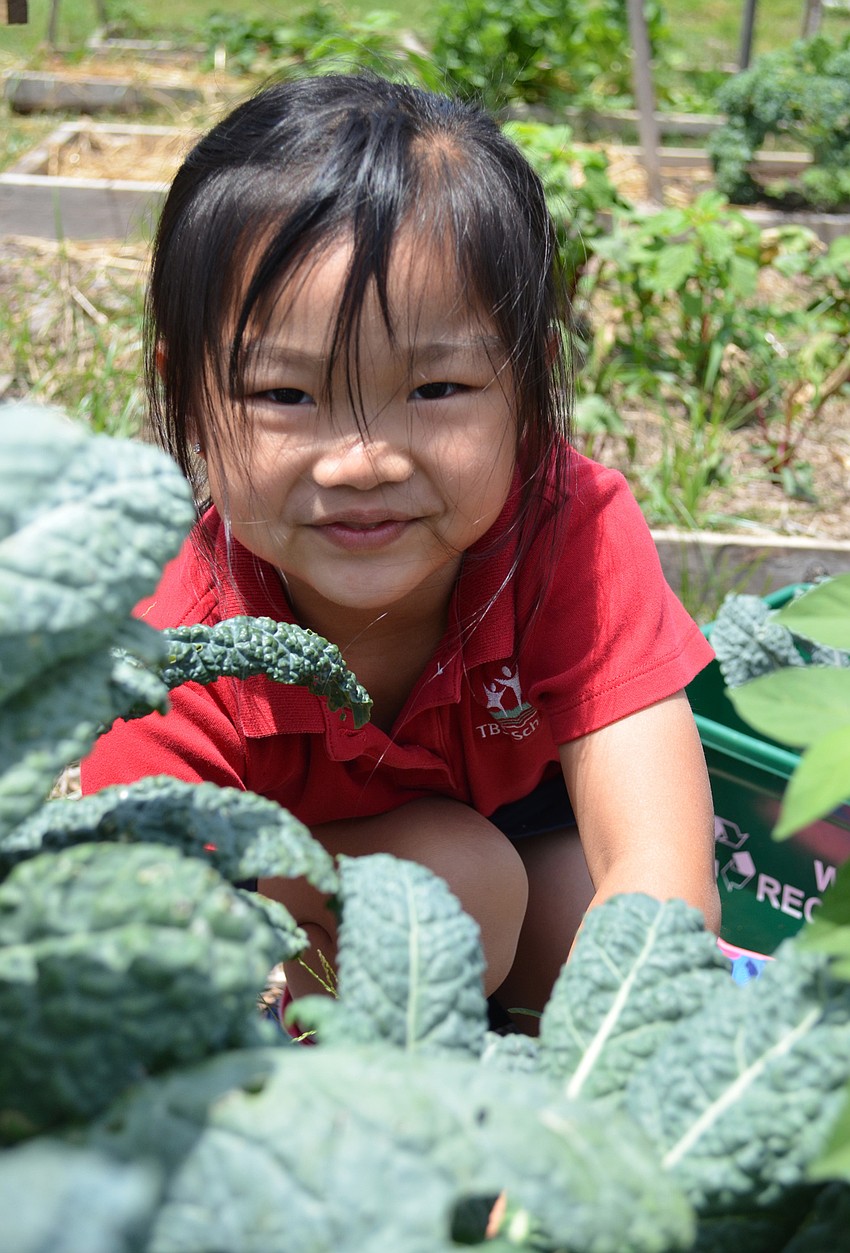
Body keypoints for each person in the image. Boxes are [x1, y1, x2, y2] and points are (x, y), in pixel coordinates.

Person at [82, 72, 720, 1028]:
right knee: (458, 880)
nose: (363, 463)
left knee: (574, 927)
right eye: (284, 396)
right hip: (286, 879)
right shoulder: (175, 641)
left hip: (507, 832)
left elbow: (663, 875)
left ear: (531, 385)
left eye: (437, 389)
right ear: (189, 404)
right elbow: (121, 926)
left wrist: (588, 1121)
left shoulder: (566, 529)